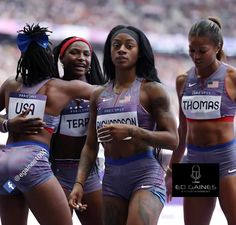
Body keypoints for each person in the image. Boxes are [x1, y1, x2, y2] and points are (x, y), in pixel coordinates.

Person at [68, 25, 179, 225]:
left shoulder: (152, 90)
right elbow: (91, 146)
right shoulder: (98, 95)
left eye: (129, 46)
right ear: (109, 51)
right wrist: (79, 183)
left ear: (139, 52)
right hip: (111, 180)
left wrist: (132, 131)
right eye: (116, 45)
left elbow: (173, 139)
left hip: (145, 175)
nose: (122, 50)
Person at [0, 24, 95, 225]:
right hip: (31, 163)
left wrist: (8, 124)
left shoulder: (10, 83)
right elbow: (110, 93)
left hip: (4, 165)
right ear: (49, 58)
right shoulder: (61, 87)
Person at [165, 17, 236, 225]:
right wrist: (171, 171)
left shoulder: (231, 78)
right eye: (191, 50)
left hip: (226, 162)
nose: (195, 56)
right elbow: (182, 131)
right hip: (194, 162)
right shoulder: (183, 81)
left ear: (217, 47)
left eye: (202, 50)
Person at [50, 36, 107, 225]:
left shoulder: (103, 93)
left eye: (86, 54)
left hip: (89, 175)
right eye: (74, 52)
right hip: (55, 173)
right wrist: (7, 124)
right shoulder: (51, 90)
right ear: (61, 58)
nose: (81, 57)